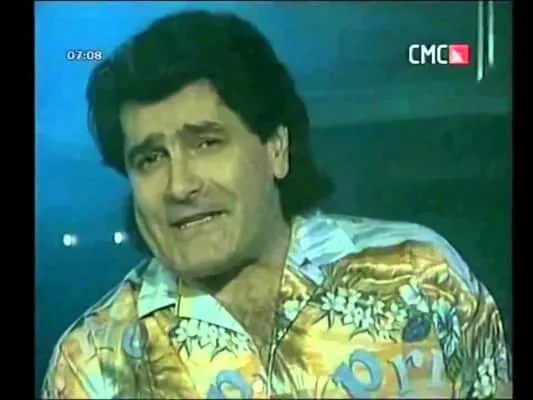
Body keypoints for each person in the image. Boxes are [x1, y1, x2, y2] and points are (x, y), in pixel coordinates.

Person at [41, 10, 512, 399]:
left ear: (276, 149)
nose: (179, 186)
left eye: (206, 143)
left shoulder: (420, 277)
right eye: (150, 159)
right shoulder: (93, 363)